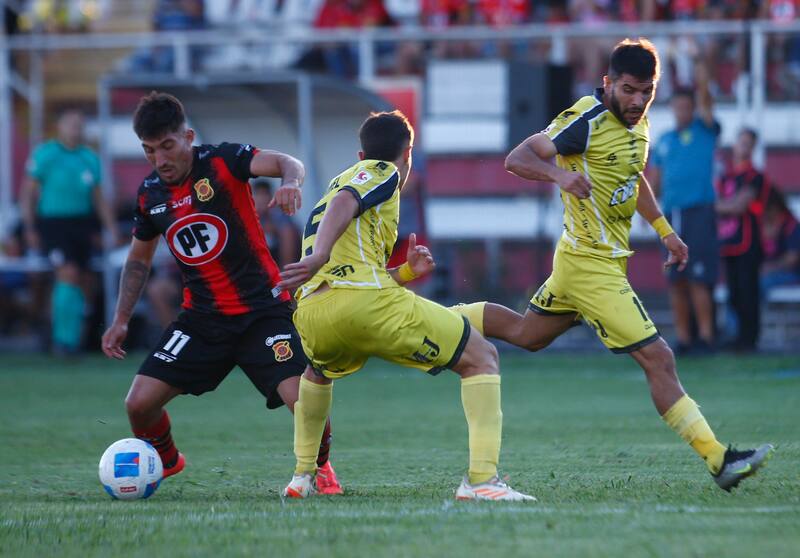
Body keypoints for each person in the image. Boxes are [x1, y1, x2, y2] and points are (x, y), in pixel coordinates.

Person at [452, 39, 772, 492]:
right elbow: (518, 157)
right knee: (658, 357)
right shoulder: (586, 118)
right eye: (628, 90)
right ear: (607, 84)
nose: (638, 100)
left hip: (588, 260)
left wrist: (664, 230)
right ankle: (719, 459)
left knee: (529, 334)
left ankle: (438, 321)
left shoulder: (638, 127)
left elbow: (632, 176)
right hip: (590, 267)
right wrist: (561, 175)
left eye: (647, 90)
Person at [278, 111, 534, 501]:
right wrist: (320, 254)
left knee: (316, 372)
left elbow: (352, 262)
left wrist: (405, 273)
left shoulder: (333, 185)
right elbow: (348, 202)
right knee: (482, 356)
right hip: (362, 303)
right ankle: (482, 481)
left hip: (314, 314)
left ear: (360, 151)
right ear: (407, 153)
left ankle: (302, 476)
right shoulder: (380, 172)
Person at [101, 92, 342, 494]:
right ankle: (167, 459)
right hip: (202, 319)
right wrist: (121, 318)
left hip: (263, 310)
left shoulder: (223, 161)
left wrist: (291, 182)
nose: (160, 159)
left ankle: (321, 467)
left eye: (167, 146)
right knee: (137, 404)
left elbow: (288, 162)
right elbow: (139, 259)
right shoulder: (150, 196)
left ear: (188, 137)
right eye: (149, 150)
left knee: (302, 399)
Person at [20, 108, 119, 355]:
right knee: (68, 274)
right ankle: (64, 340)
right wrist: (29, 227)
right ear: (60, 126)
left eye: (80, 124)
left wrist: (111, 227)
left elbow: (99, 197)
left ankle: (74, 337)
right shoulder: (46, 154)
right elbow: (28, 193)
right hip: (53, 223)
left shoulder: (89, 157)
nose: (76, 128)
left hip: (82, 224)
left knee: (84, 280)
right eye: (71, 123)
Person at [649, 63, 720, 355]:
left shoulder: (704, 130)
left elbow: (706, 101)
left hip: (699, 212)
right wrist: (650, 212)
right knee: (675, 279)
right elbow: (655, 178)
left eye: (685, 106)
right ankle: (684, 337)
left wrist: (701, 71)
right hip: (670, 216)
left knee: (699, 278)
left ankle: (706, 336)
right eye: (677, 106)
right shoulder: (664, 140)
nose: (681, 111)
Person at [715, 128, 772, 352]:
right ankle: (738, 336)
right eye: (741, 142)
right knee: (734, 293)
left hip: (749, 242)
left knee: (749, 293)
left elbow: (739, 206)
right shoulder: (726, 176)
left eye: (749, 143)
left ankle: (750, 339)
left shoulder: (755, 177)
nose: (744, 147)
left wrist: (717, 207)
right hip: (729, 242)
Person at [761, 189, 800, 294]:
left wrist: (770, 268)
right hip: (769, 272)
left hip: (792, 273)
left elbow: (792, 259)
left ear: (775, 207)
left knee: (760, 282)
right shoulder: (760, 224)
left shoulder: (792, 226)